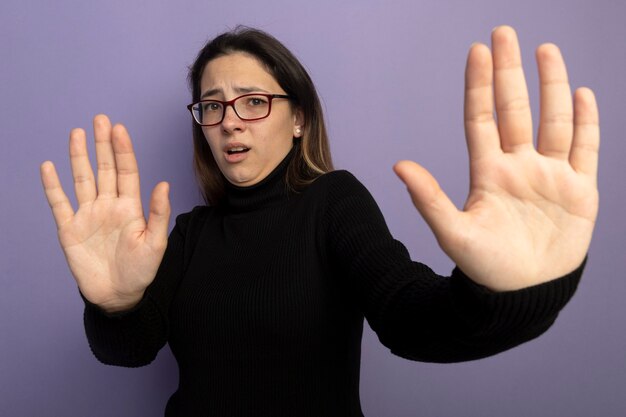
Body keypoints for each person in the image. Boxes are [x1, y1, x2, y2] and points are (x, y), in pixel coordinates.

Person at [40, 25, 599, 416]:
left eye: (253, 100)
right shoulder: (185, 235)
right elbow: (130, 351)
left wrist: (510, 292)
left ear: (300, 118)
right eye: (212, 105)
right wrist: (115, 306)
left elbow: (410, 317)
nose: (230, 122)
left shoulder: (334, 202)